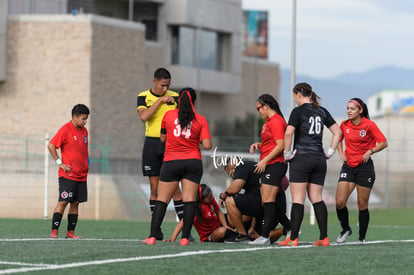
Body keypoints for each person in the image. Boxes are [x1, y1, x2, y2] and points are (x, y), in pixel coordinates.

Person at [143, 87, 212, 246]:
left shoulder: (168, 115)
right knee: (189, 201)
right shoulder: (201, 119)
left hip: (171, 162)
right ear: (194, 102)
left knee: (162, 200)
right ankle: (185, 238)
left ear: (178, 100)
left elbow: (162, 138)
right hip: (193, 162)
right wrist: (196, 139)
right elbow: (207, 145)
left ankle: (153, 236)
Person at [278, 82, 342, 247]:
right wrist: (330, 151)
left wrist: (286, 153)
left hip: (302, 158)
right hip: (319, 159)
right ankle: (324, 237)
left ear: (299, 94)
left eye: (294, 96)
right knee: (317, 198)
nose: (295, 100)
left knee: (298, 199)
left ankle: (293, 238)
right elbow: (338, 132)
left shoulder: (298, 111)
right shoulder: (322, 111)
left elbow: (289, 132)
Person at [137, 68, 185, 237]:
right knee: (154, 188)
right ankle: (155, 229)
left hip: (171, 144)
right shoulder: (143, 96)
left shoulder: (177, 97)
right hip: (151, 144)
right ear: (154, 81)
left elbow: (186, 118)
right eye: (163, 85)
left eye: (168, 86)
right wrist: (160, 101)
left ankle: (185, 230)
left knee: (175, 189)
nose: (166, 89)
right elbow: (144, 117)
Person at [335, 98, 387, 245]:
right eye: (347, 108)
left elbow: (383, 142)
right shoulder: (344, 125)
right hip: (348, 167)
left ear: (360, 110)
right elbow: (338, 138)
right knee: (339, 202)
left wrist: (370, 151)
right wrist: (340, 153)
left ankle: (361, 238)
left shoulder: (369, 125)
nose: (349, 111)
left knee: (362, 204)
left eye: (352, 108)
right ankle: (346, 229)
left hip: (365, 168)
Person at [248, 94, 288, 245]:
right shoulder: (269, 121)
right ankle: (290, 227)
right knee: (267, 201)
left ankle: (264, 236)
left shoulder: (276, 120)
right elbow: (272, 142)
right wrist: (260, 145)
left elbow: (281, 145)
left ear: (266, 106)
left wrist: (264, 160)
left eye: (259, 108)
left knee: (268, 200)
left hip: (275, 164)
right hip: (270, 163)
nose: (258, 111)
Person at [220, 159, 290, 244]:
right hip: (276, 204)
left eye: (230, 173)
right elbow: (252, 206)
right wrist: (252, 227)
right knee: (257, 237)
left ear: (234, 168)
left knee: (230, 201)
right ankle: (284, 229)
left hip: (269, 203)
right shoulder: (252, 174)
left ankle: (242, 235)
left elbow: (235, 189)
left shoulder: (242, 166)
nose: (232, 177)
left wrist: (223, 196)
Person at [48, 104, 90, 239]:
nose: (85, 122)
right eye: (83, 119)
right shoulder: (65, 130)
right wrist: (60, 163)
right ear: (74, 117)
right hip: (68, 175)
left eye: (86, 119)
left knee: (76, 203)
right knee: (63, 201)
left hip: (82, 175)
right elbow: (51, 145)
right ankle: (54, 231)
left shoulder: (84, 131)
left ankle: (70, 232)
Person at [165, 184, 231, 242]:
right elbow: (182, 222)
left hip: (217, 224)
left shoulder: (210, 199)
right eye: (209, 197)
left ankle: (239, 234)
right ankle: (231, 235)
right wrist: (173, 238)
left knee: (235, 217)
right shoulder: (195, 209)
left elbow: (218, 212)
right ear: (202, 198)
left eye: (211, 196)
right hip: (210, 234)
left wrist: (226, 225)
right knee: (222, 231)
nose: (211, 199)